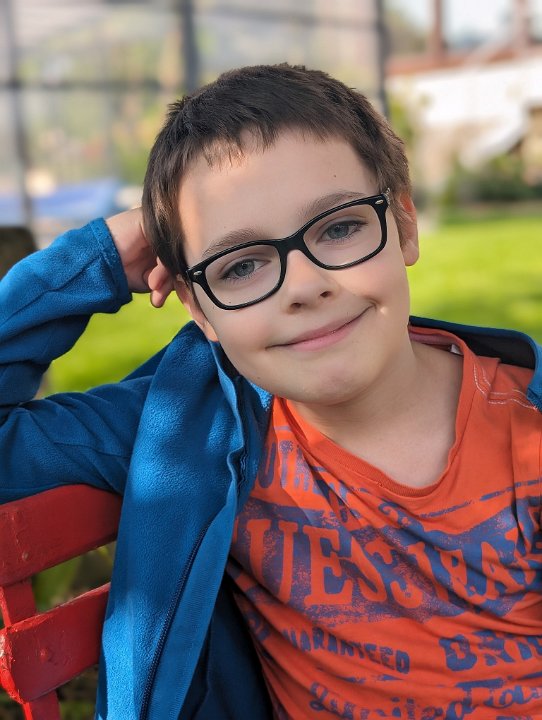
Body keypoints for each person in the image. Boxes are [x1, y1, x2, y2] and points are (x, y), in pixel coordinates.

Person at [1, 64, 542, 720]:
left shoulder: (525, 431)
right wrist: (101, 259)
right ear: (199, 310)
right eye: (241, 265)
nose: (304, 286)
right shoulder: (183, 429)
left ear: (403, 224)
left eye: (338, 228)